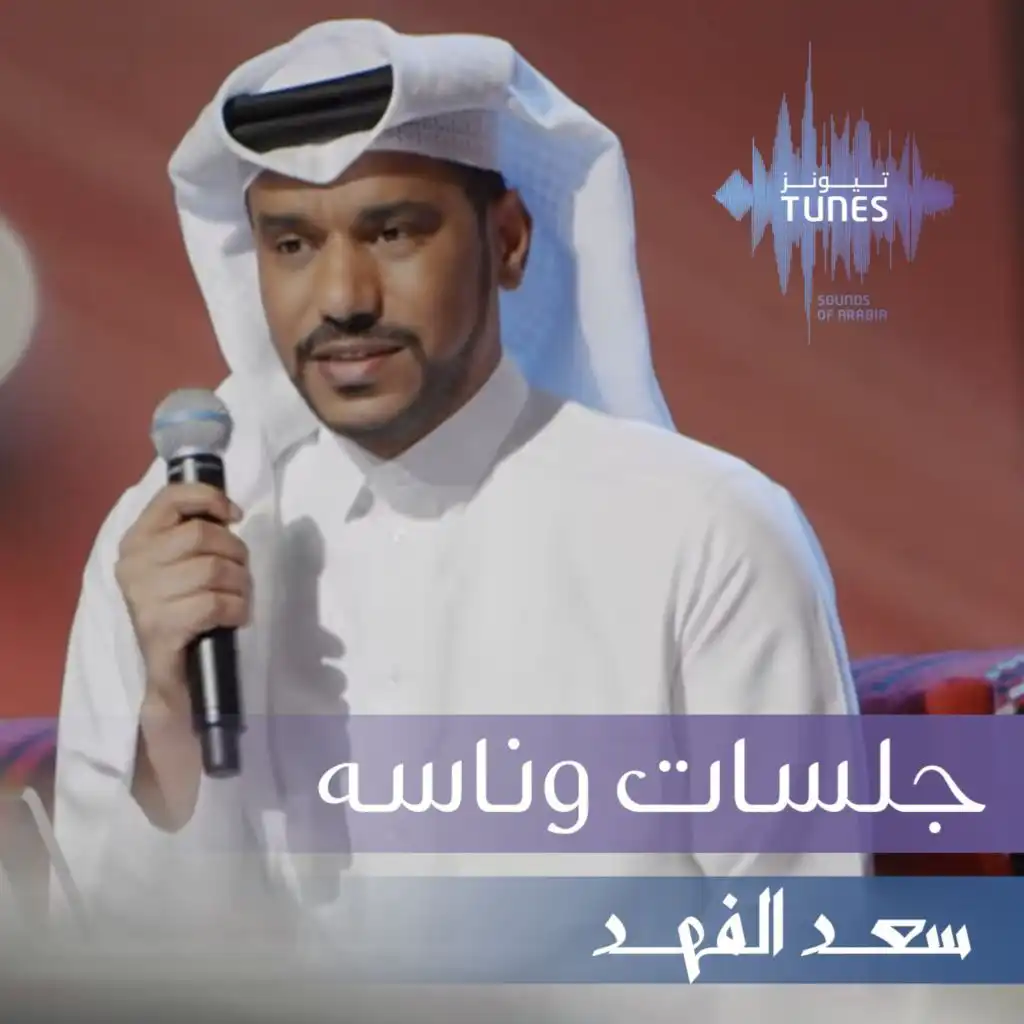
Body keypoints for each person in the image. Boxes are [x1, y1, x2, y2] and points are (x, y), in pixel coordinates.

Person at [52, 19, 864, 949]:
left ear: (508, 240)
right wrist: (169, 716)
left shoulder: (702, 534)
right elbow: (102, 970)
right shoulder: (172, 551)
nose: (342, 297)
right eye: (293, 245)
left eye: (392, 231)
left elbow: (803, 958)